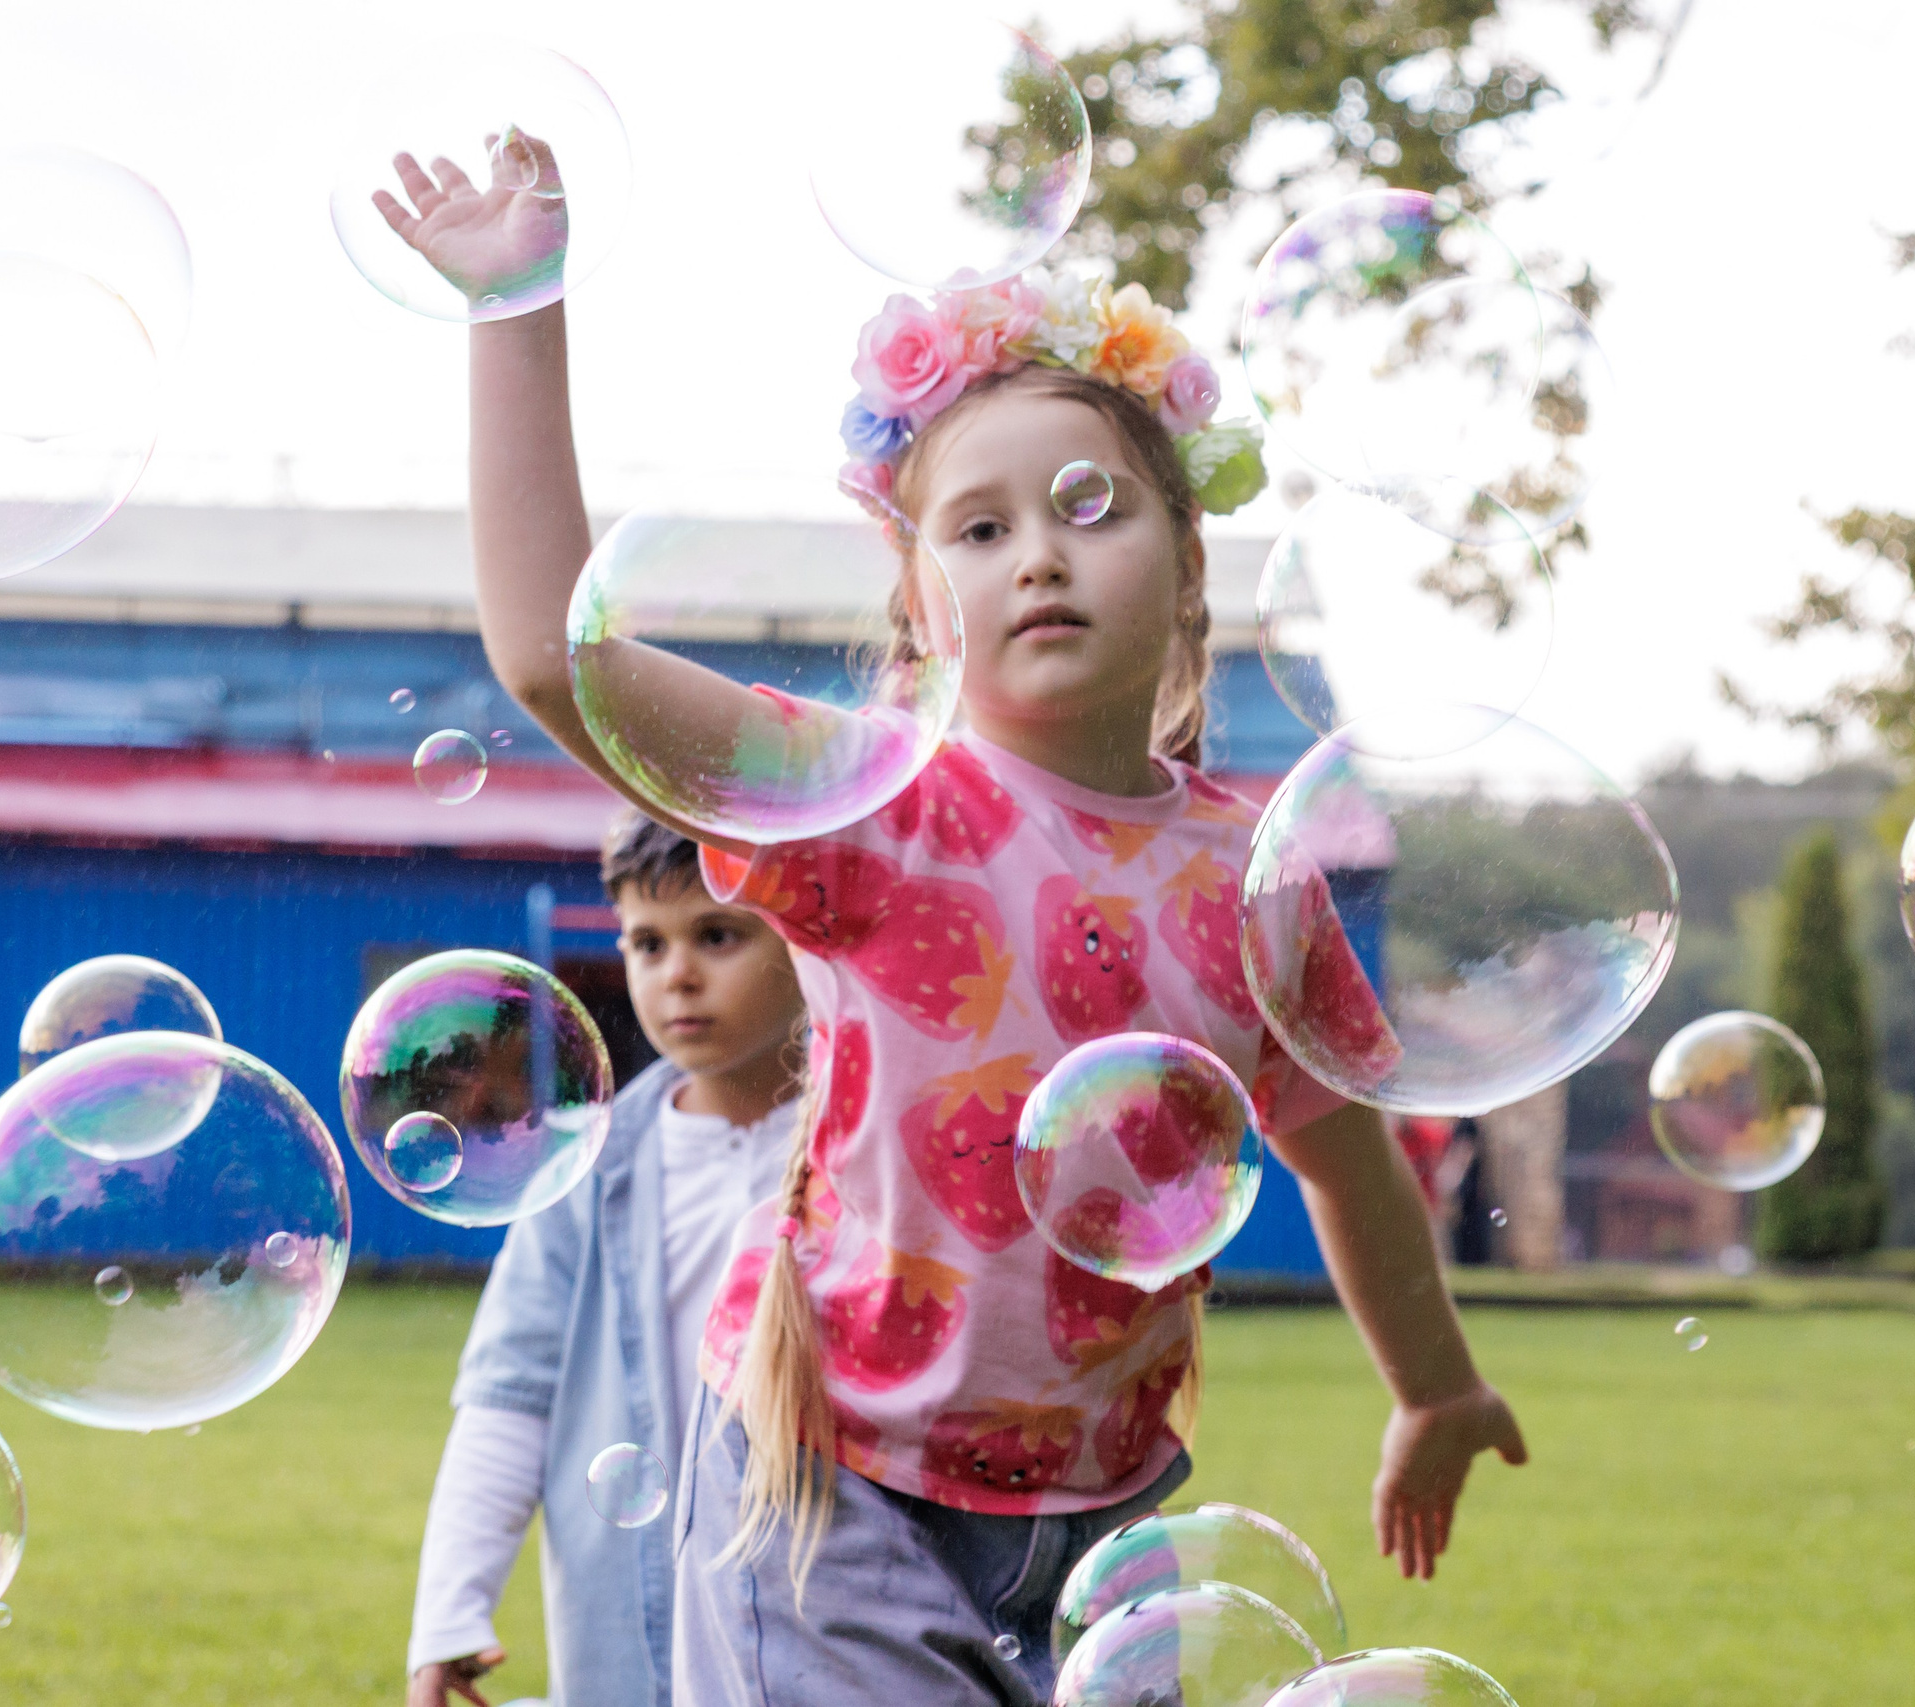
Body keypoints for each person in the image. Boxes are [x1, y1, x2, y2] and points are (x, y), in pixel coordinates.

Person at [375, 145, 1528, 1707]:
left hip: (1105, 1508)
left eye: (1087, 507)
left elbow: (1347, 1154)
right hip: (835, 1483)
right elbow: (551, 658)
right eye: (975, 532)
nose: (1037, 549)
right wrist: (517, 310)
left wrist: (1437, 1385)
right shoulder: (873, 808)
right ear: (920, 611)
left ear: (1190, 572)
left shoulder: (1254, 878)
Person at [405, 812, 806, 1707]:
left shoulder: (870, 1150)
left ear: (807, 934)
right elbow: (510, 1397)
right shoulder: (583, 1169)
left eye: (717, 933)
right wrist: (448, 1615)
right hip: (641, 1637)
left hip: (828, 1614)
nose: (678, 974)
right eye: (647, 942)